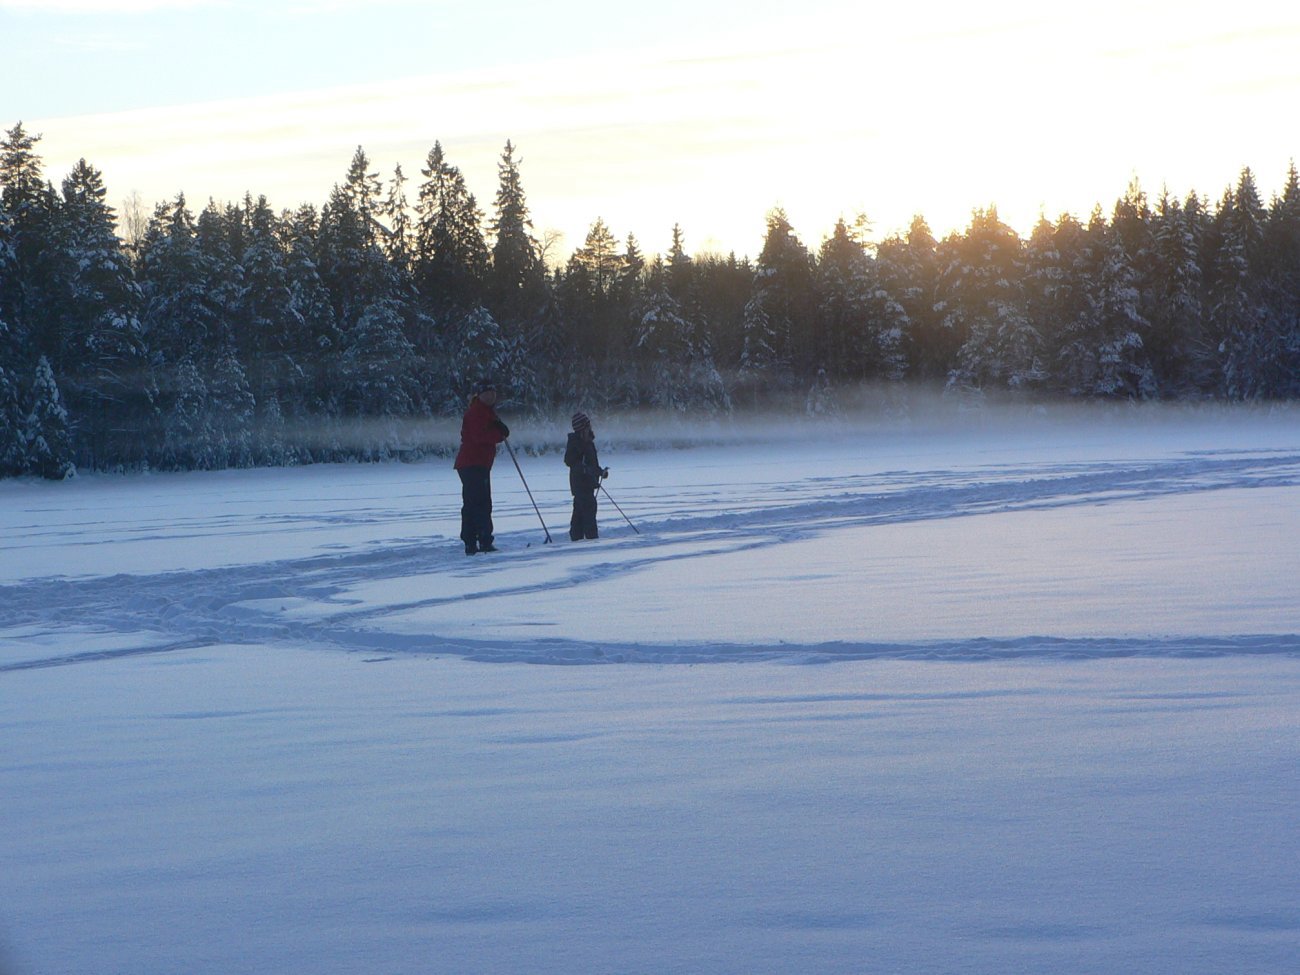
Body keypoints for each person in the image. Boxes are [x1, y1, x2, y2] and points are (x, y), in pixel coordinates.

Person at [453, 380, 509, 555]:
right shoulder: (476, 412)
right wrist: (499, 434)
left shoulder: (487, 412)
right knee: (479, 503)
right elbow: (479, 436)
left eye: (493, 393)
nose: (491, 396)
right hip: (473, 463)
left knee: (475, 502)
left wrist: (499, 429)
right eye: (487, 393)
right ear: (480, 395)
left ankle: (474, 540)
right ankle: (480, 540)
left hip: (478, 463)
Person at [564, 411, 607, 541]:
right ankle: (591, 539)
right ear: (582, 428)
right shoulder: (576, 443)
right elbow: (569, 461)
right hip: (581, 485)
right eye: (587, 425)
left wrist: (601, 472)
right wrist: (582, 468)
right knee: (587, 514)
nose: (590, 427)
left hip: (588, 485)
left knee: (579, 513)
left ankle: (577, 538)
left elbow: (592, 464)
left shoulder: (588, 442)